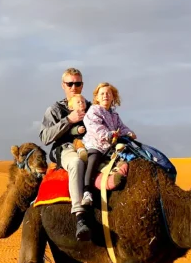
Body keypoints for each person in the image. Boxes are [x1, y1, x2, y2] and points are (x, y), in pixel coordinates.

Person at [39, 67, 93, 240]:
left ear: (82, 85)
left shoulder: (91, 107)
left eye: (77, 83)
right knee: (77, 163)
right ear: (63, 85)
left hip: (92, 146)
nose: (73, 87)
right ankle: (80, 216)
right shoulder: (54, 110)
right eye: (69, 83)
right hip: (66, 149)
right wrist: (69, 120)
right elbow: (45, 137)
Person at [82, 82, 136, 207]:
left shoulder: (114, 115)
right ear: (97, 97)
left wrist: (129, 133)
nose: (105, 95)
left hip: (111, 148)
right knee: (93, 159)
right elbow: (95, 128)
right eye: (102, 93)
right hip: (96, 145)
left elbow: (121, 128)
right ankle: (87, 192)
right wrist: (110, 135)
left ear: (113, 97)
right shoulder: (94, 111)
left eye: (108, 93)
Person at [67, 94, 89, 162]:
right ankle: (81, 152)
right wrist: (77, 130)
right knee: (79, 143)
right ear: (71, 107)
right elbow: (69, 130)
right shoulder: (72, 117)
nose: (81, 103)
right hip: (79, 138)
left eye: (83, 102)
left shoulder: (89, 114)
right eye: (78, 102)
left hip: (89, 137)